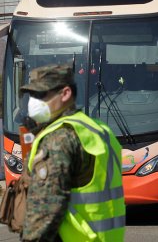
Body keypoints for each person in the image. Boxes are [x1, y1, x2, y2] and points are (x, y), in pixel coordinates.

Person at [20, 64, 126, 241]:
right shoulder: (99, 130)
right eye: (32, 95)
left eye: (40, 95)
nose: (33, 102)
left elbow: (45, 210)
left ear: (65, 93)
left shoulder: (59, 138)